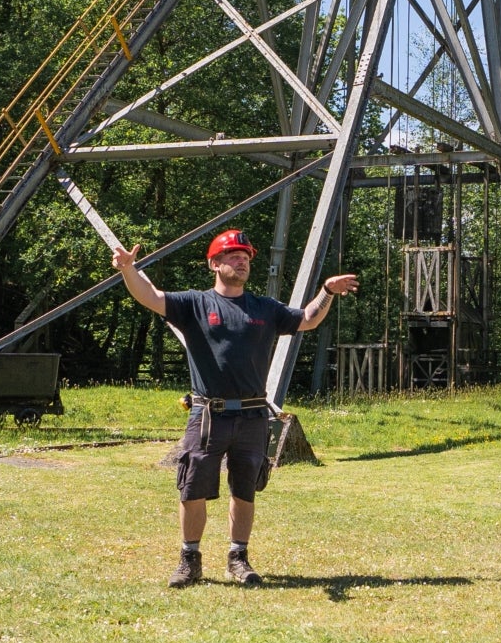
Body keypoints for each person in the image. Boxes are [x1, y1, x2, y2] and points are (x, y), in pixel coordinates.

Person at [117, 228, 355, 588]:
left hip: (253, 417)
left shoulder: (265, 308)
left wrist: (327, 291)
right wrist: (127, 270)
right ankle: (189, 559)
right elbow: (149, 296)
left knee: (245, 490)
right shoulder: (195, 304)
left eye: (245, 257)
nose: (242, 261)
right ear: (214, 263)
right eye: (233, 256)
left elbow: (306, 318)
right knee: (192, 488)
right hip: (208, 416)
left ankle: (238, 558)